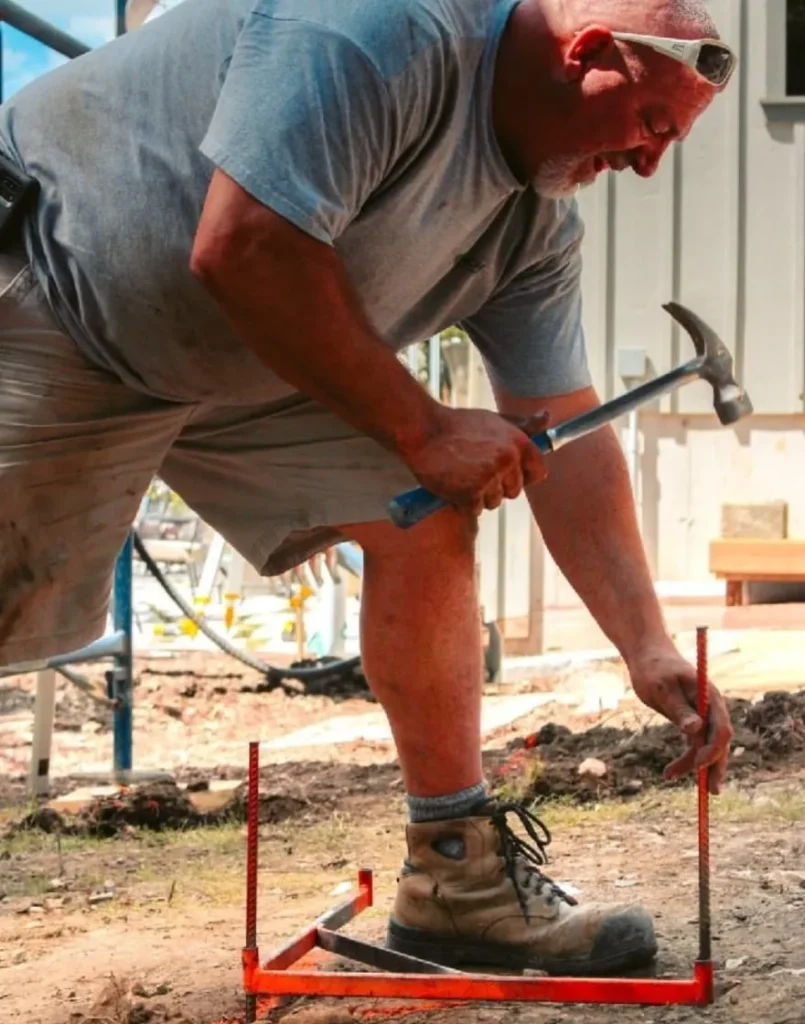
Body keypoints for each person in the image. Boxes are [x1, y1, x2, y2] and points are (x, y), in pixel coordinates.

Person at [0, 0, 737, 975]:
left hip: (253, 363)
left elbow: (567, 438)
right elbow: (245, 243)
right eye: (648, 127)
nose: (649, 167)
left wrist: (646, 649)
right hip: (56, 285)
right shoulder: (382, 27)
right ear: (587, 53)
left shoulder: (529, 231)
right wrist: (425, 426)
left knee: (424, 506)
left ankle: (455, 877)